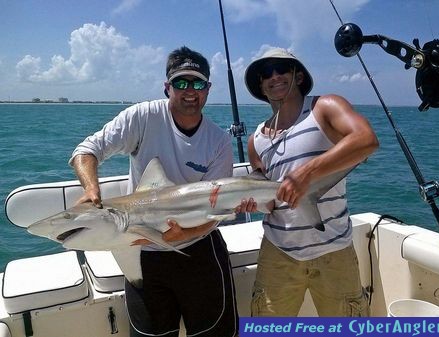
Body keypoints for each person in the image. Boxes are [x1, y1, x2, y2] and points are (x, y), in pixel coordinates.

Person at [70, 46, 244, 337]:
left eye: (198, 83)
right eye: (180, 83)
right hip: (143, 252)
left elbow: (218, 210)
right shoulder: (143, 117)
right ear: (167, 87)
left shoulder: (218, 141)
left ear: (208, 89)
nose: (190, 90)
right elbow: (87, 150)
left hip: (198, 249)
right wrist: (91, 189)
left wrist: (185, 235)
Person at [244, 47, 379, 317]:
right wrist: (250, 202)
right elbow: (270, 201)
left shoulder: (324, 107)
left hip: (334, 250)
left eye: (281, 68)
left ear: (298, 76)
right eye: (265, 73)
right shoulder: (255, 140)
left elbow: (366, 140)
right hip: (278, 252)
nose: (274, 76)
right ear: (260, 84)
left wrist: (306, 174)